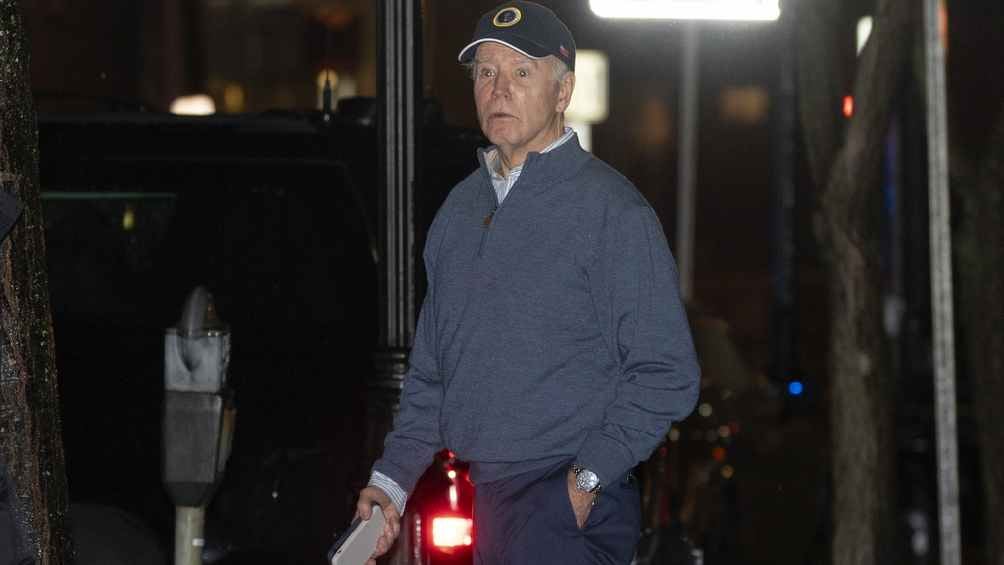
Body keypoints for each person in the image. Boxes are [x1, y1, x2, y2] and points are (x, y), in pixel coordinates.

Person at [356, 2, 700, 563]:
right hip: (487, 498)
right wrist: (390, 484)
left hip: (567, 501)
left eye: (521, 72)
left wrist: (584, 481)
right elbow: (433, 375)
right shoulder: (460, 210)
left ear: (563, 91)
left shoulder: (611, 211)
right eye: (486, 72)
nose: (499, 89)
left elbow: (667, 373)